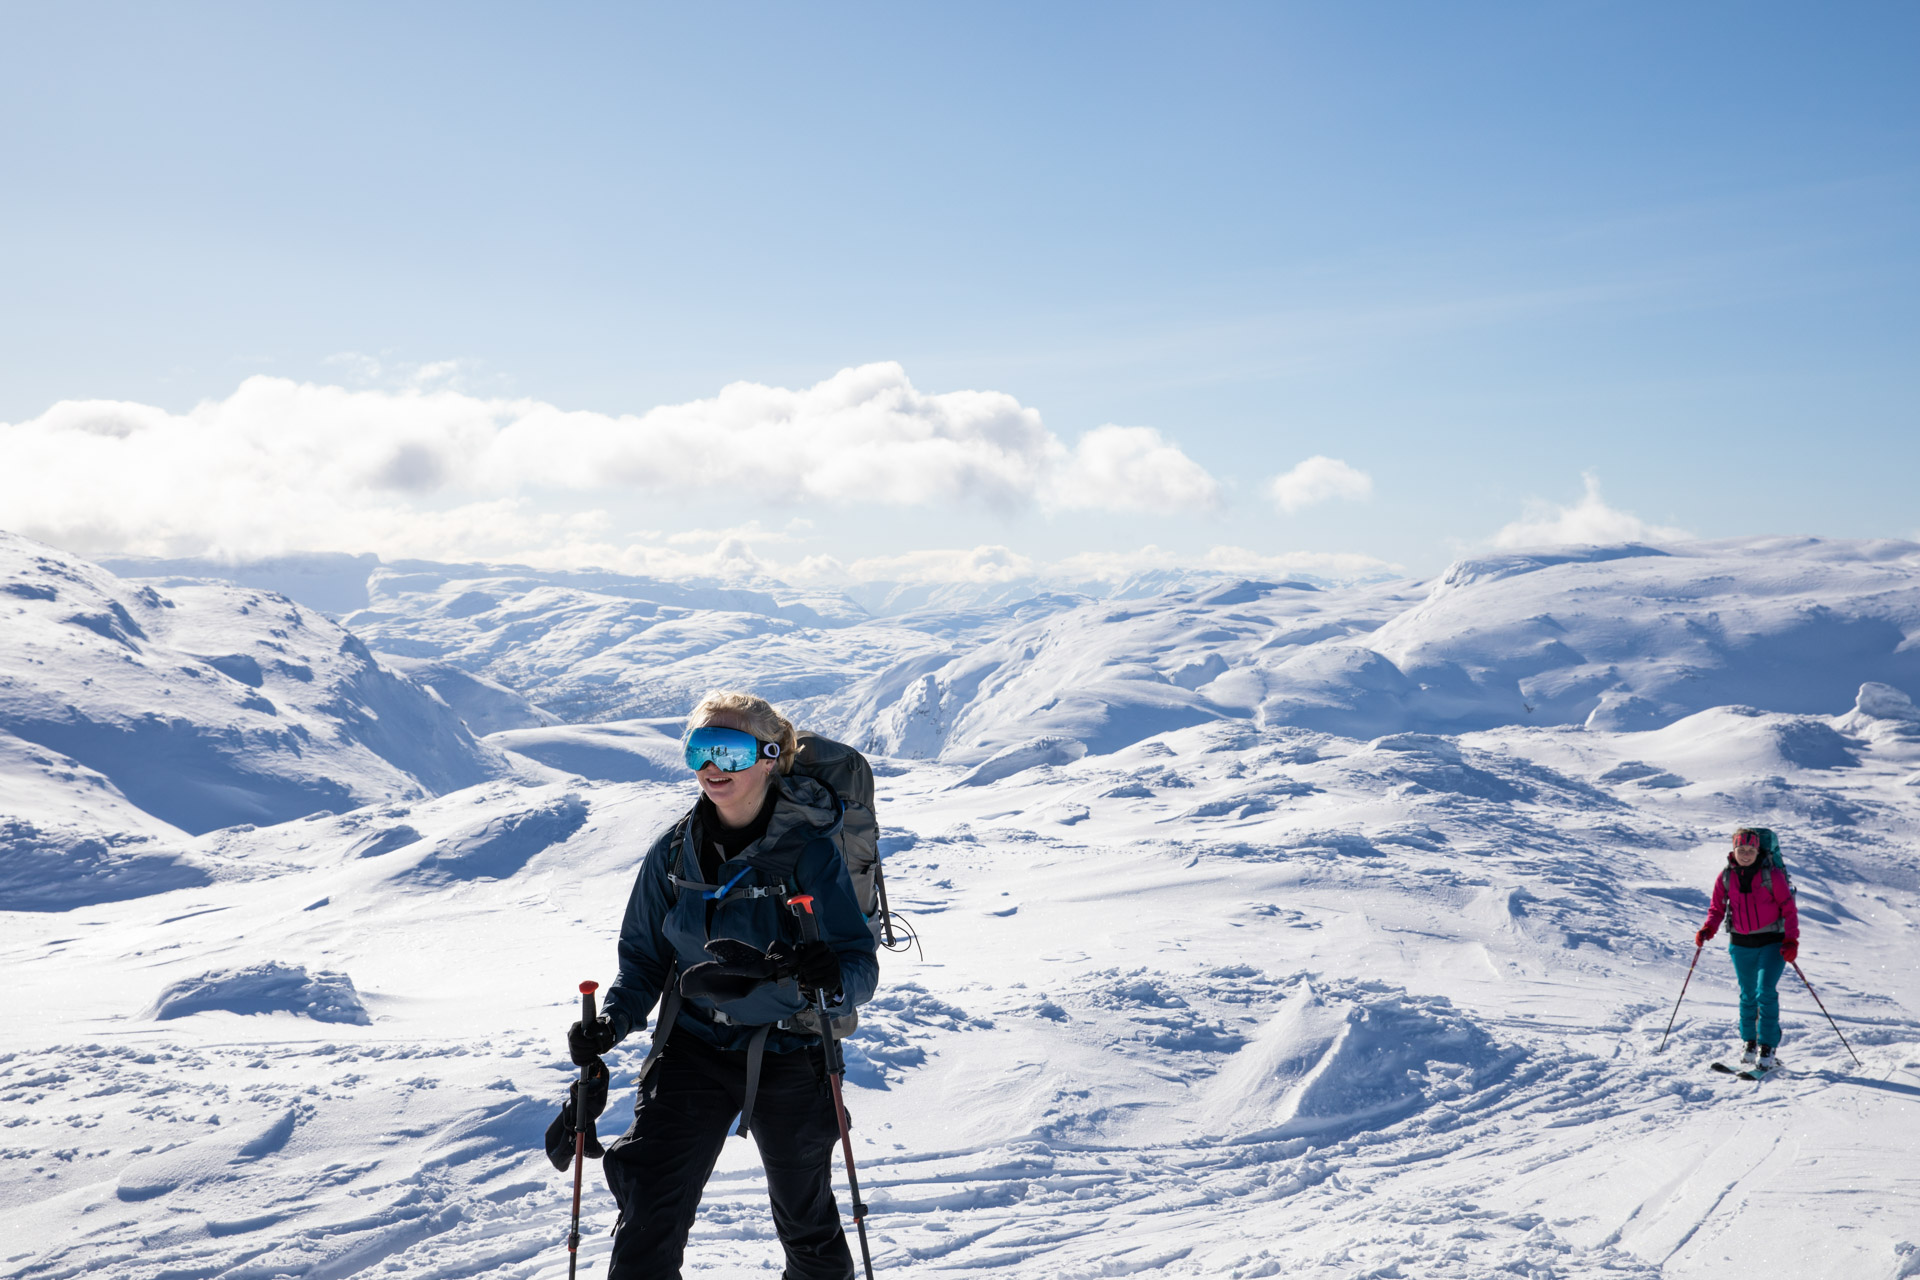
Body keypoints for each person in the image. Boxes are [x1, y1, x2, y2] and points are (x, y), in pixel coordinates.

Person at [570, 690, 879, 1280]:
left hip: (792, 1049)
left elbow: (858, 968)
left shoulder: (811, 853)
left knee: (806, 1219)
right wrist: (610, 1023)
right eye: (699, 750)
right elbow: (642, 963)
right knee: (648, 1210)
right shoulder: (672, 853)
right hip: (692, 1047)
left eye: (730, 751)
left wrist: (829, 978)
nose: (712, 767)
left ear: (769, 756)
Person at [1694, 827, 1799, 1071]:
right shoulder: (1725, 877)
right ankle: (1749, 1043)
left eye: (1750, 850)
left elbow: (1789, 910)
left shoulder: (1772, 876)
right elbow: (1716, 909)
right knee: (1747, 995)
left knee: (1765, 992)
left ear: (1758, 851)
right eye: (1741, 850)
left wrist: (1791, 941)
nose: (1745, 854)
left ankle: (1767, 1047)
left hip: (1772, 942)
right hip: (1740, 944)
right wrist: (1708, 929)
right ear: (1734, 850)